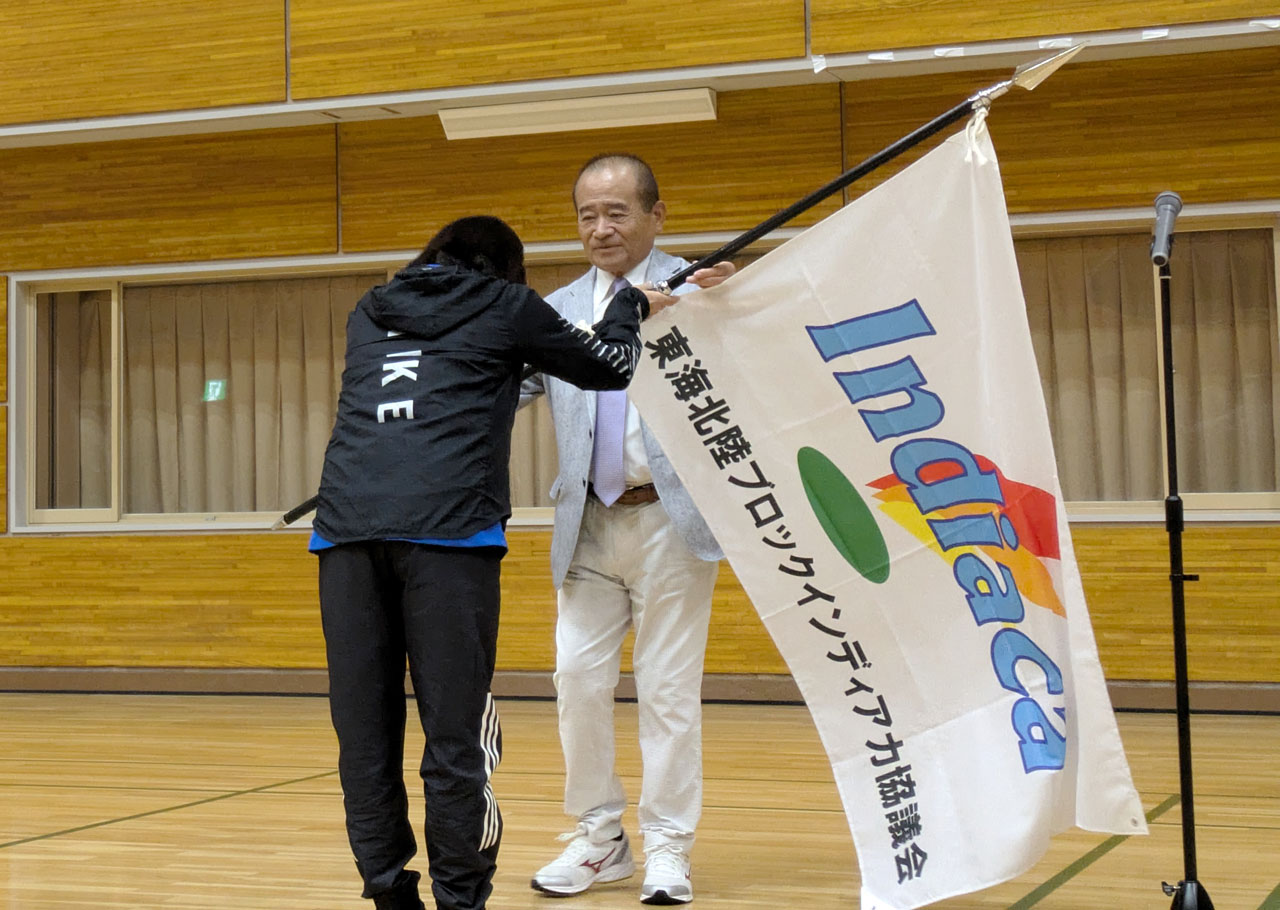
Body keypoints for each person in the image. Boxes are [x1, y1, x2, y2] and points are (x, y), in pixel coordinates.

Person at [311, 215, 675, 910]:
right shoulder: (506, 305)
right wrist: (631, 305)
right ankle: (460, 899)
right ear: (505, 271)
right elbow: (612, 366)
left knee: (364, 737)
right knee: (457, 739)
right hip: (447, 536)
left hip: (346, 533)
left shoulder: (370, 308)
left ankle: (390, 895)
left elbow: (438, 386)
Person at [523, 155, 732, 905]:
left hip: (672, 524)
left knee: (669, 692)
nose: (600, 228)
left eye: (616, 212)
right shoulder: (550, 310)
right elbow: (500, 386)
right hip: (586, 524)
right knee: (576, 679)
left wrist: (733, 306)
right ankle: (600, 839)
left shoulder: (706, 289)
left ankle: (670, 846)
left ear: (655, 216)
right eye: (587, 214)